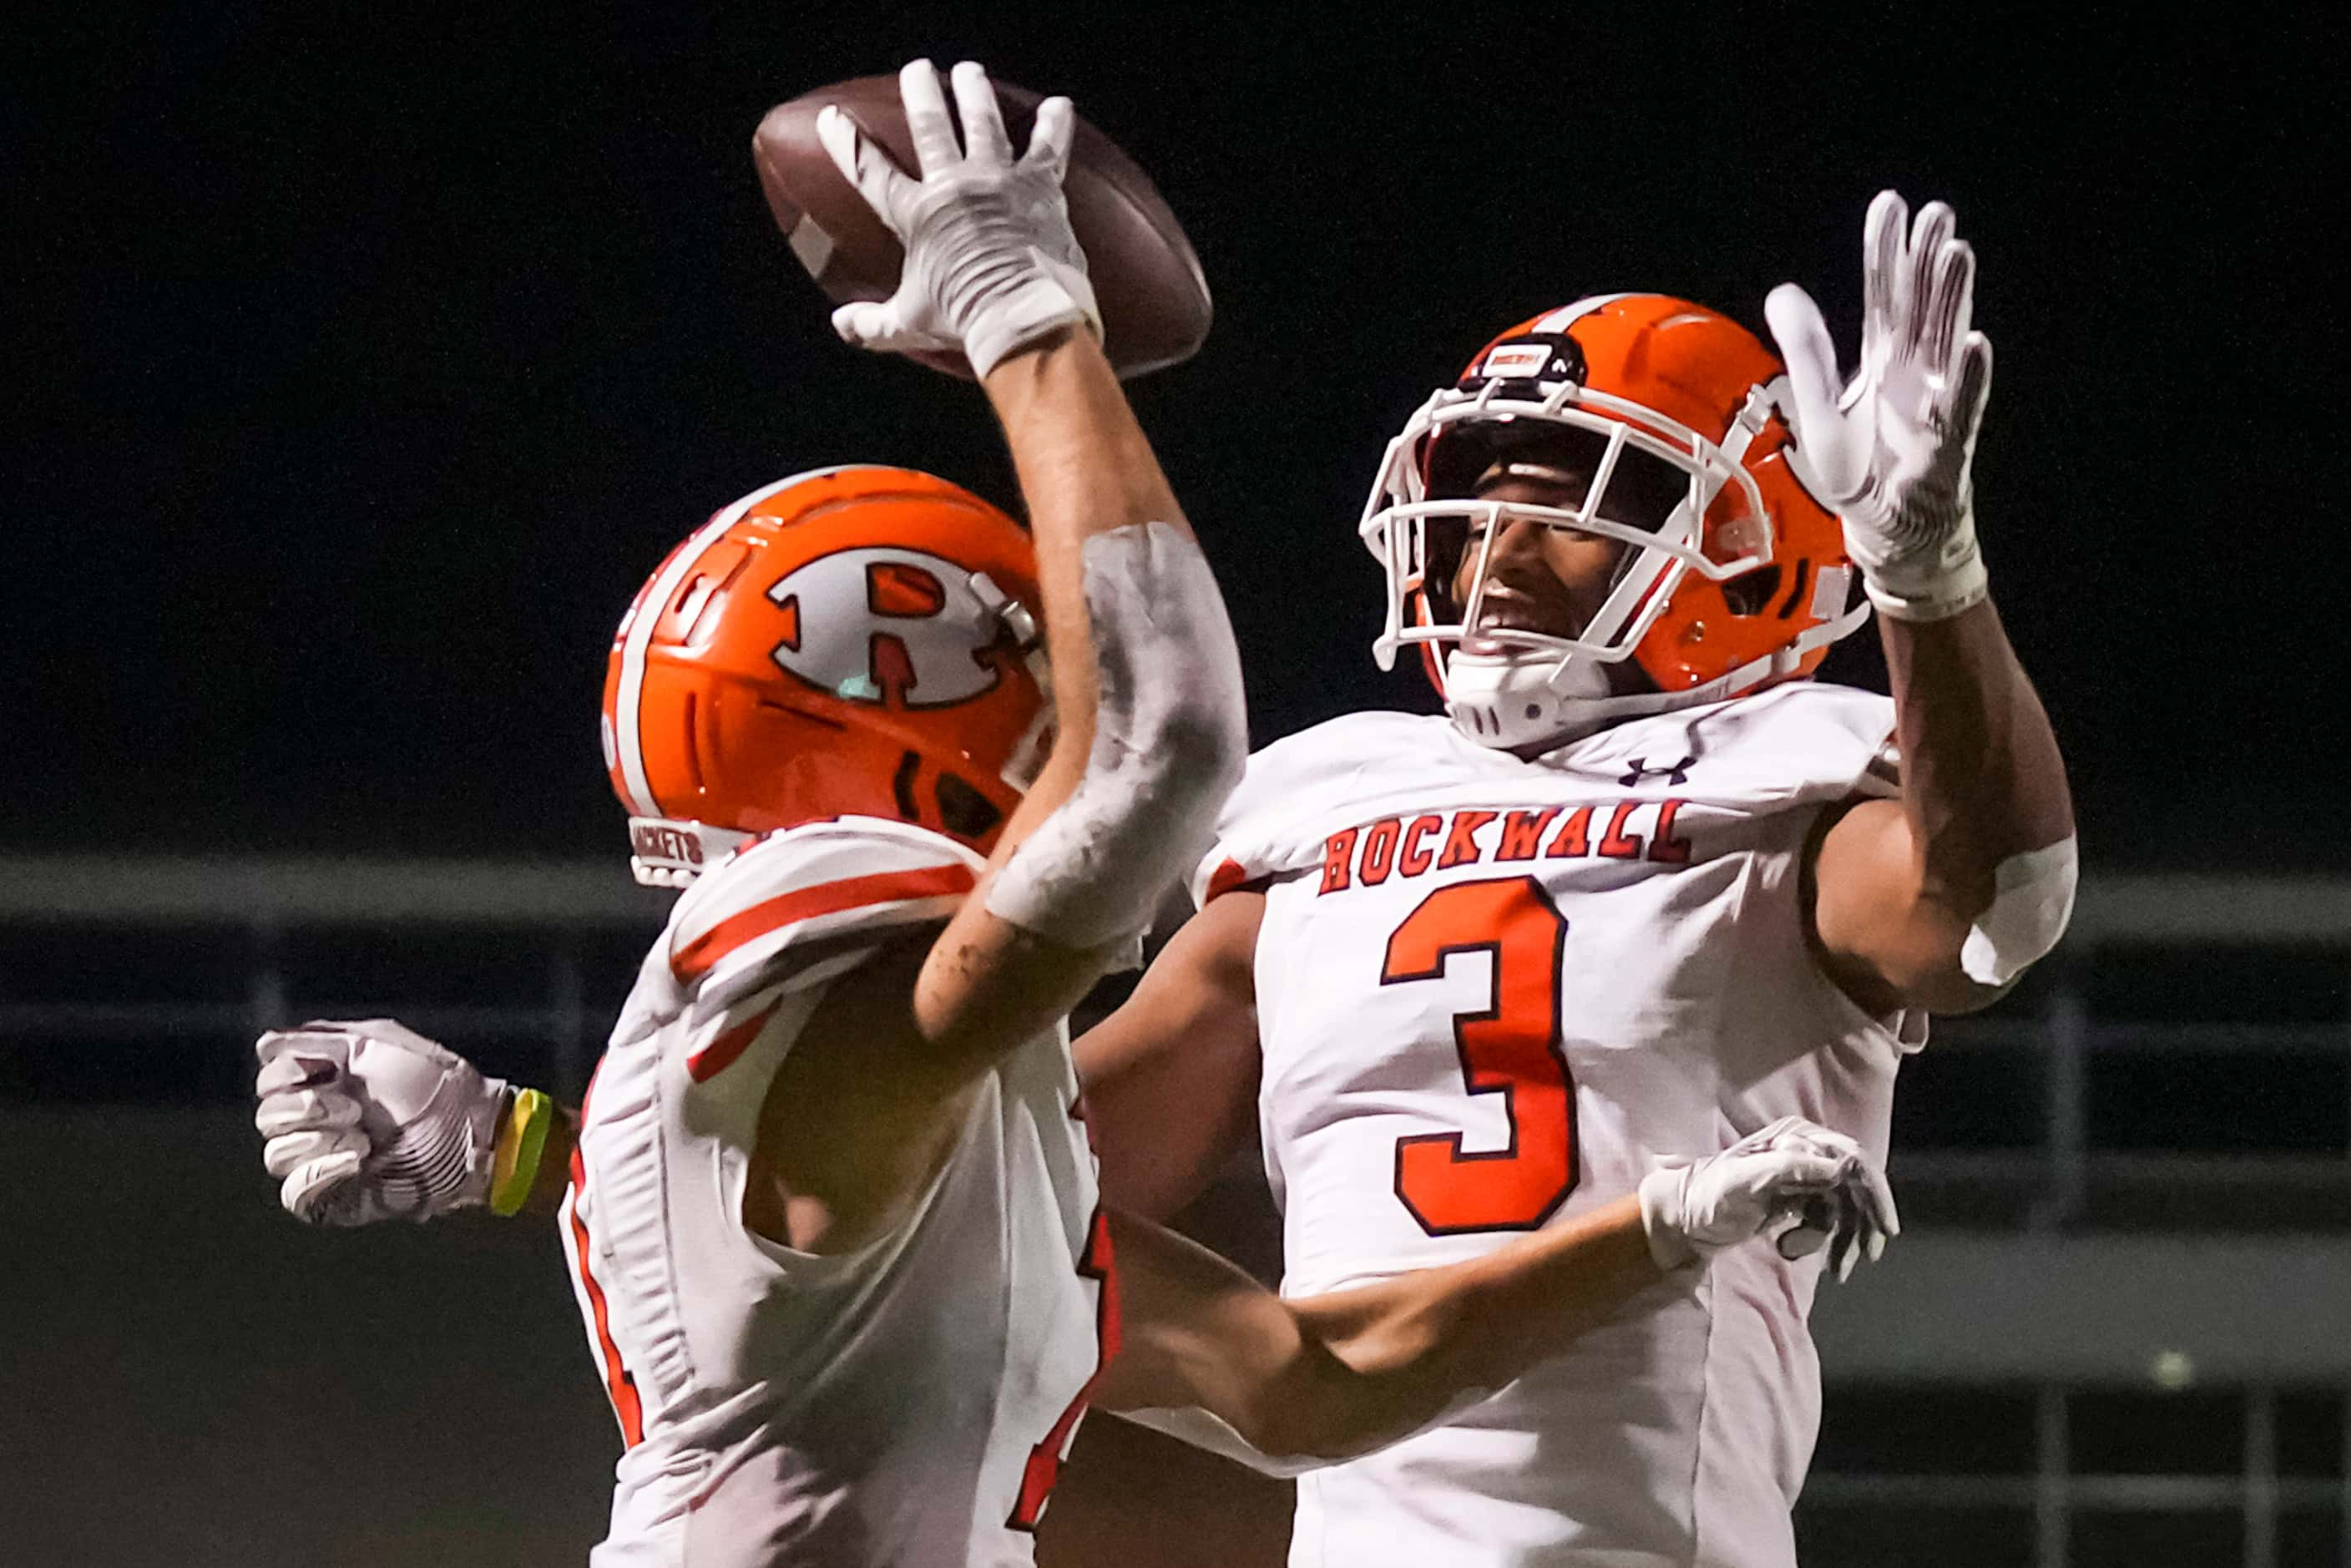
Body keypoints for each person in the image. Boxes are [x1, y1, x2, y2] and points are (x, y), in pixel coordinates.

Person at [252, 62, 1895, 1568]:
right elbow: (1153, 756)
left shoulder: (911, 1123)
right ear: (902, 720)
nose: (1056, 714)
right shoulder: (815, 950)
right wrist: (1025, 326)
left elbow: (1307, 1378)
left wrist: (1664, 1222)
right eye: (1021, 665)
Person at [1071, 201, 2075, 1565]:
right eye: (1480, 507)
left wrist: (1926, 579)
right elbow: (1019, 1183)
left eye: (1573, 504)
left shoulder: (1778, 775)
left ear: (1748, 543)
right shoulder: (1333, 797)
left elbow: (1993, 908)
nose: (1498, 554)